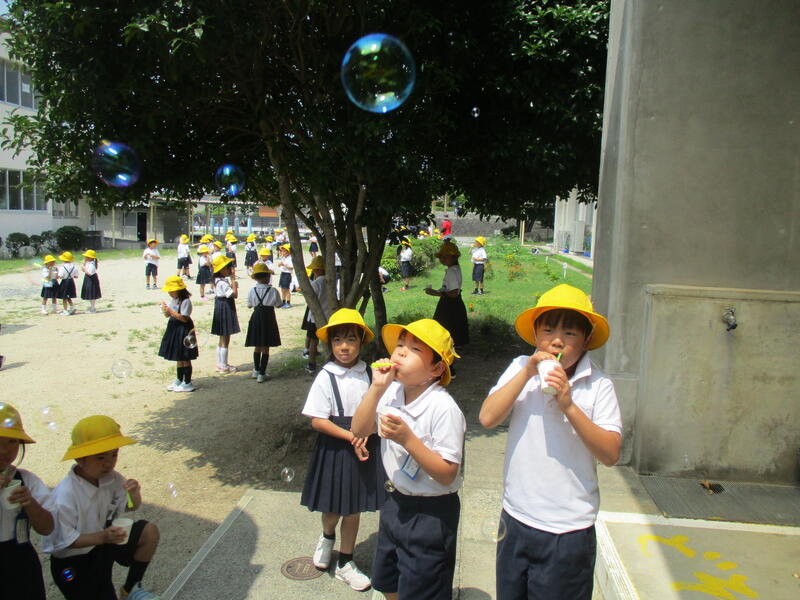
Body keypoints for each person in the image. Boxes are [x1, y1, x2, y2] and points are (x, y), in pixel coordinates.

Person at [478, 284, 622, 600]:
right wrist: (526, 373)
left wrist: (569, 405)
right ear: (535, 334)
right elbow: (487, 418)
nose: (557, 340)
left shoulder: (599, 385)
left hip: (568, 530)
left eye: (570, 333)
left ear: (586, 340)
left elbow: (611, 453)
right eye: (548, 330)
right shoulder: (520, 367)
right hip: (516, 517)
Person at [351, 319, 465, 600]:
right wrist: (376, 388)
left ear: (436, 369)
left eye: (414, 349)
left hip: (431, 514)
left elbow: (447, 474)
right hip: (394, 502)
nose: (400, 352)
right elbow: (359, 429)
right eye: (400, 345)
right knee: (388, 581)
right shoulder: (391, 391)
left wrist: (408, 440)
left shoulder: (443, 408)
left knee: (423, 587)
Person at [300, 309, 385, 592]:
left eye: (350, 339)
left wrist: (367, 434)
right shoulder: (326, 376)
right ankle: (327, 536)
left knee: (354, 507)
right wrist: (352, 437)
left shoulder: (371, 373)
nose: (344, 346)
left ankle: (346, 562)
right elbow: (317, 420)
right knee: (333, 506)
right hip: (336, 446)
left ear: (361, 341)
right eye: (337, 341)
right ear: (331, 345)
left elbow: (382, 409)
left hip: (366, 444)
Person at [44, 415, 161, 600]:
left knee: (149, 532)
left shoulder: (111, 478)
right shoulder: (65, 495)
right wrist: (103, 537)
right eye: (100, 457)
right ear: (80, 458)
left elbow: (131, 506)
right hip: (73, 561)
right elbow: (63, 540)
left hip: (102, 546)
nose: (109, 463)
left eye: (114, 454)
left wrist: (134, 495)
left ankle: (131, 589)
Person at [0, 403, 55, 600]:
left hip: (20, 562)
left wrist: (30, 502)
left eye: (12, 441)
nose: (4, 450)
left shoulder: (26, 480)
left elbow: (47, 528)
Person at [427, 242, 468, 377]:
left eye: (445, 256)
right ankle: (447, 367)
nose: (442, 259)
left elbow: (454, 293)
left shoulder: (451, 271)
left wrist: (435, 293)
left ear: (453, 257)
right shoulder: (455, 269)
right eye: (441, 257)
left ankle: (448, 369)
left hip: (449, 306)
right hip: (453, 305)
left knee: (443, 336)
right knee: (448, 336)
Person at [158, 275, 199, 392]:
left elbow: (184, 318)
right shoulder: (174, 300)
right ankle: (179, 379)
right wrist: (165, 309)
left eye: (171, 291)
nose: (169, 293)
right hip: (174, 328)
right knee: (178, 357)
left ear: (179, 290)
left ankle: (187, 382)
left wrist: (170, 311)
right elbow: (168, 315)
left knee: (185, 356)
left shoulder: (186, 301)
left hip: (184, 330)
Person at [245, 263, 283, 383]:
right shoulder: (273, 291)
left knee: (257, 344)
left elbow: (249, 305)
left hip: (256, 317)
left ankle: (256, 370)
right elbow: (279, 304)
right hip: (268, 318)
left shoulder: (252, 291)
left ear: (256, 278)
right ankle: (262, 373)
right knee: (266, 346)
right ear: (267, 276)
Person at [210, 255, 240, 373]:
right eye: (228, 267)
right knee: (225, 338)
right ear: (221, 270)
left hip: (220, 306)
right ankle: (224, 365)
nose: (230, 269)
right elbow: (234, 295)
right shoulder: (222, 282)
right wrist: (233, 282)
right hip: (225, 307)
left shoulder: (218, 281)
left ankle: (220, 363)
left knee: (221, 338)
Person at [300, 256, 328, 374]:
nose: (313, 272)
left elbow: (311, 299)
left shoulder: (316, 283)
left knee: (313, 341)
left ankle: (312, 364)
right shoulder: (330, 281)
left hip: (315, 317)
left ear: (318, 270)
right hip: (328, 315)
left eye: (314, 270)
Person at [276, 244, 294, 308]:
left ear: (288, 252)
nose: (282, 252)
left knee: (287, 289)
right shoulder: (283, 258)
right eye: (282, 251)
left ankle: (288, 302)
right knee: (282, 288)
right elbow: (279, 265)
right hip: (282, 273)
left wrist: (284, 265)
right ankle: (283, 301)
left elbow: (291, 267)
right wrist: (279, 264)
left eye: (284, 251)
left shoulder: (290, 258)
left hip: (287, 274)